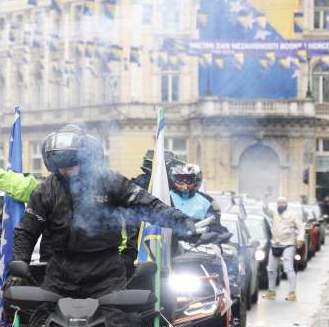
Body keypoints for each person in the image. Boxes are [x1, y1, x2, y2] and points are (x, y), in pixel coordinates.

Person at [12, 126, 197, 298]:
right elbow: (26, 231)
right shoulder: (45, 191)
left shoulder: (110, 182)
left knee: (122, 324)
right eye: (61, 167)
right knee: (41, 322)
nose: (67, 171)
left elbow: (147, 204)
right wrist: (19, 263)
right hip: (59, 273)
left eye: (71, 165)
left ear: (86, 159)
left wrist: (181, 221)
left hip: (106, 273)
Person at [261, 197, 305, 302]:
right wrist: (266, 199)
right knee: (271, 269)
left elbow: (301, 227)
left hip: (288, 245)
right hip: (276, 244)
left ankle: (292, 292)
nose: (280, 204)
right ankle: (271, 291)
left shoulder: (293, 215)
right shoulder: (274, 214)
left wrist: (300, 238)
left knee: (288, 268)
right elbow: (265, 210)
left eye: (282, 203)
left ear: (286, 205)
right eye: (279, 203)